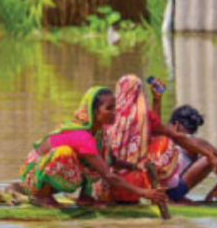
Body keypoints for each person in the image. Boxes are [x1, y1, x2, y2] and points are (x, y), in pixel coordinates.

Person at [18, 86, 168, 209]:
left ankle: (86, 197)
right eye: (109, 109)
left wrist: (135, 166)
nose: (114, 113)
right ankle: (42, 195)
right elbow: (108, 175)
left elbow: (111, 160)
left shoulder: (99, 133)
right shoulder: (82, 135)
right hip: (33, 177)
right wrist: (144, 193)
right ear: (95, 112)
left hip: (49, 173)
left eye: (114, 108)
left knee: (97, 160)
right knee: (65, 154)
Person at [101, 75, 217, 204]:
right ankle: (161, 197)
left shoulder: (106, 115)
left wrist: (157, 100)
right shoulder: (144, 115)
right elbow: (174, 136)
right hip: (135, 185)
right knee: (164, 142)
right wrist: (209, 154)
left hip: (106, 185)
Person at [165, 105, 217, 203]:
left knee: (208, 159)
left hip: (165, 189)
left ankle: (174, 199)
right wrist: (216, 190)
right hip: (170, 190)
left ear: (176, 125)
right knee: (209, 158)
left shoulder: (166, 138)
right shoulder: (198, 142)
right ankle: (175, 199)